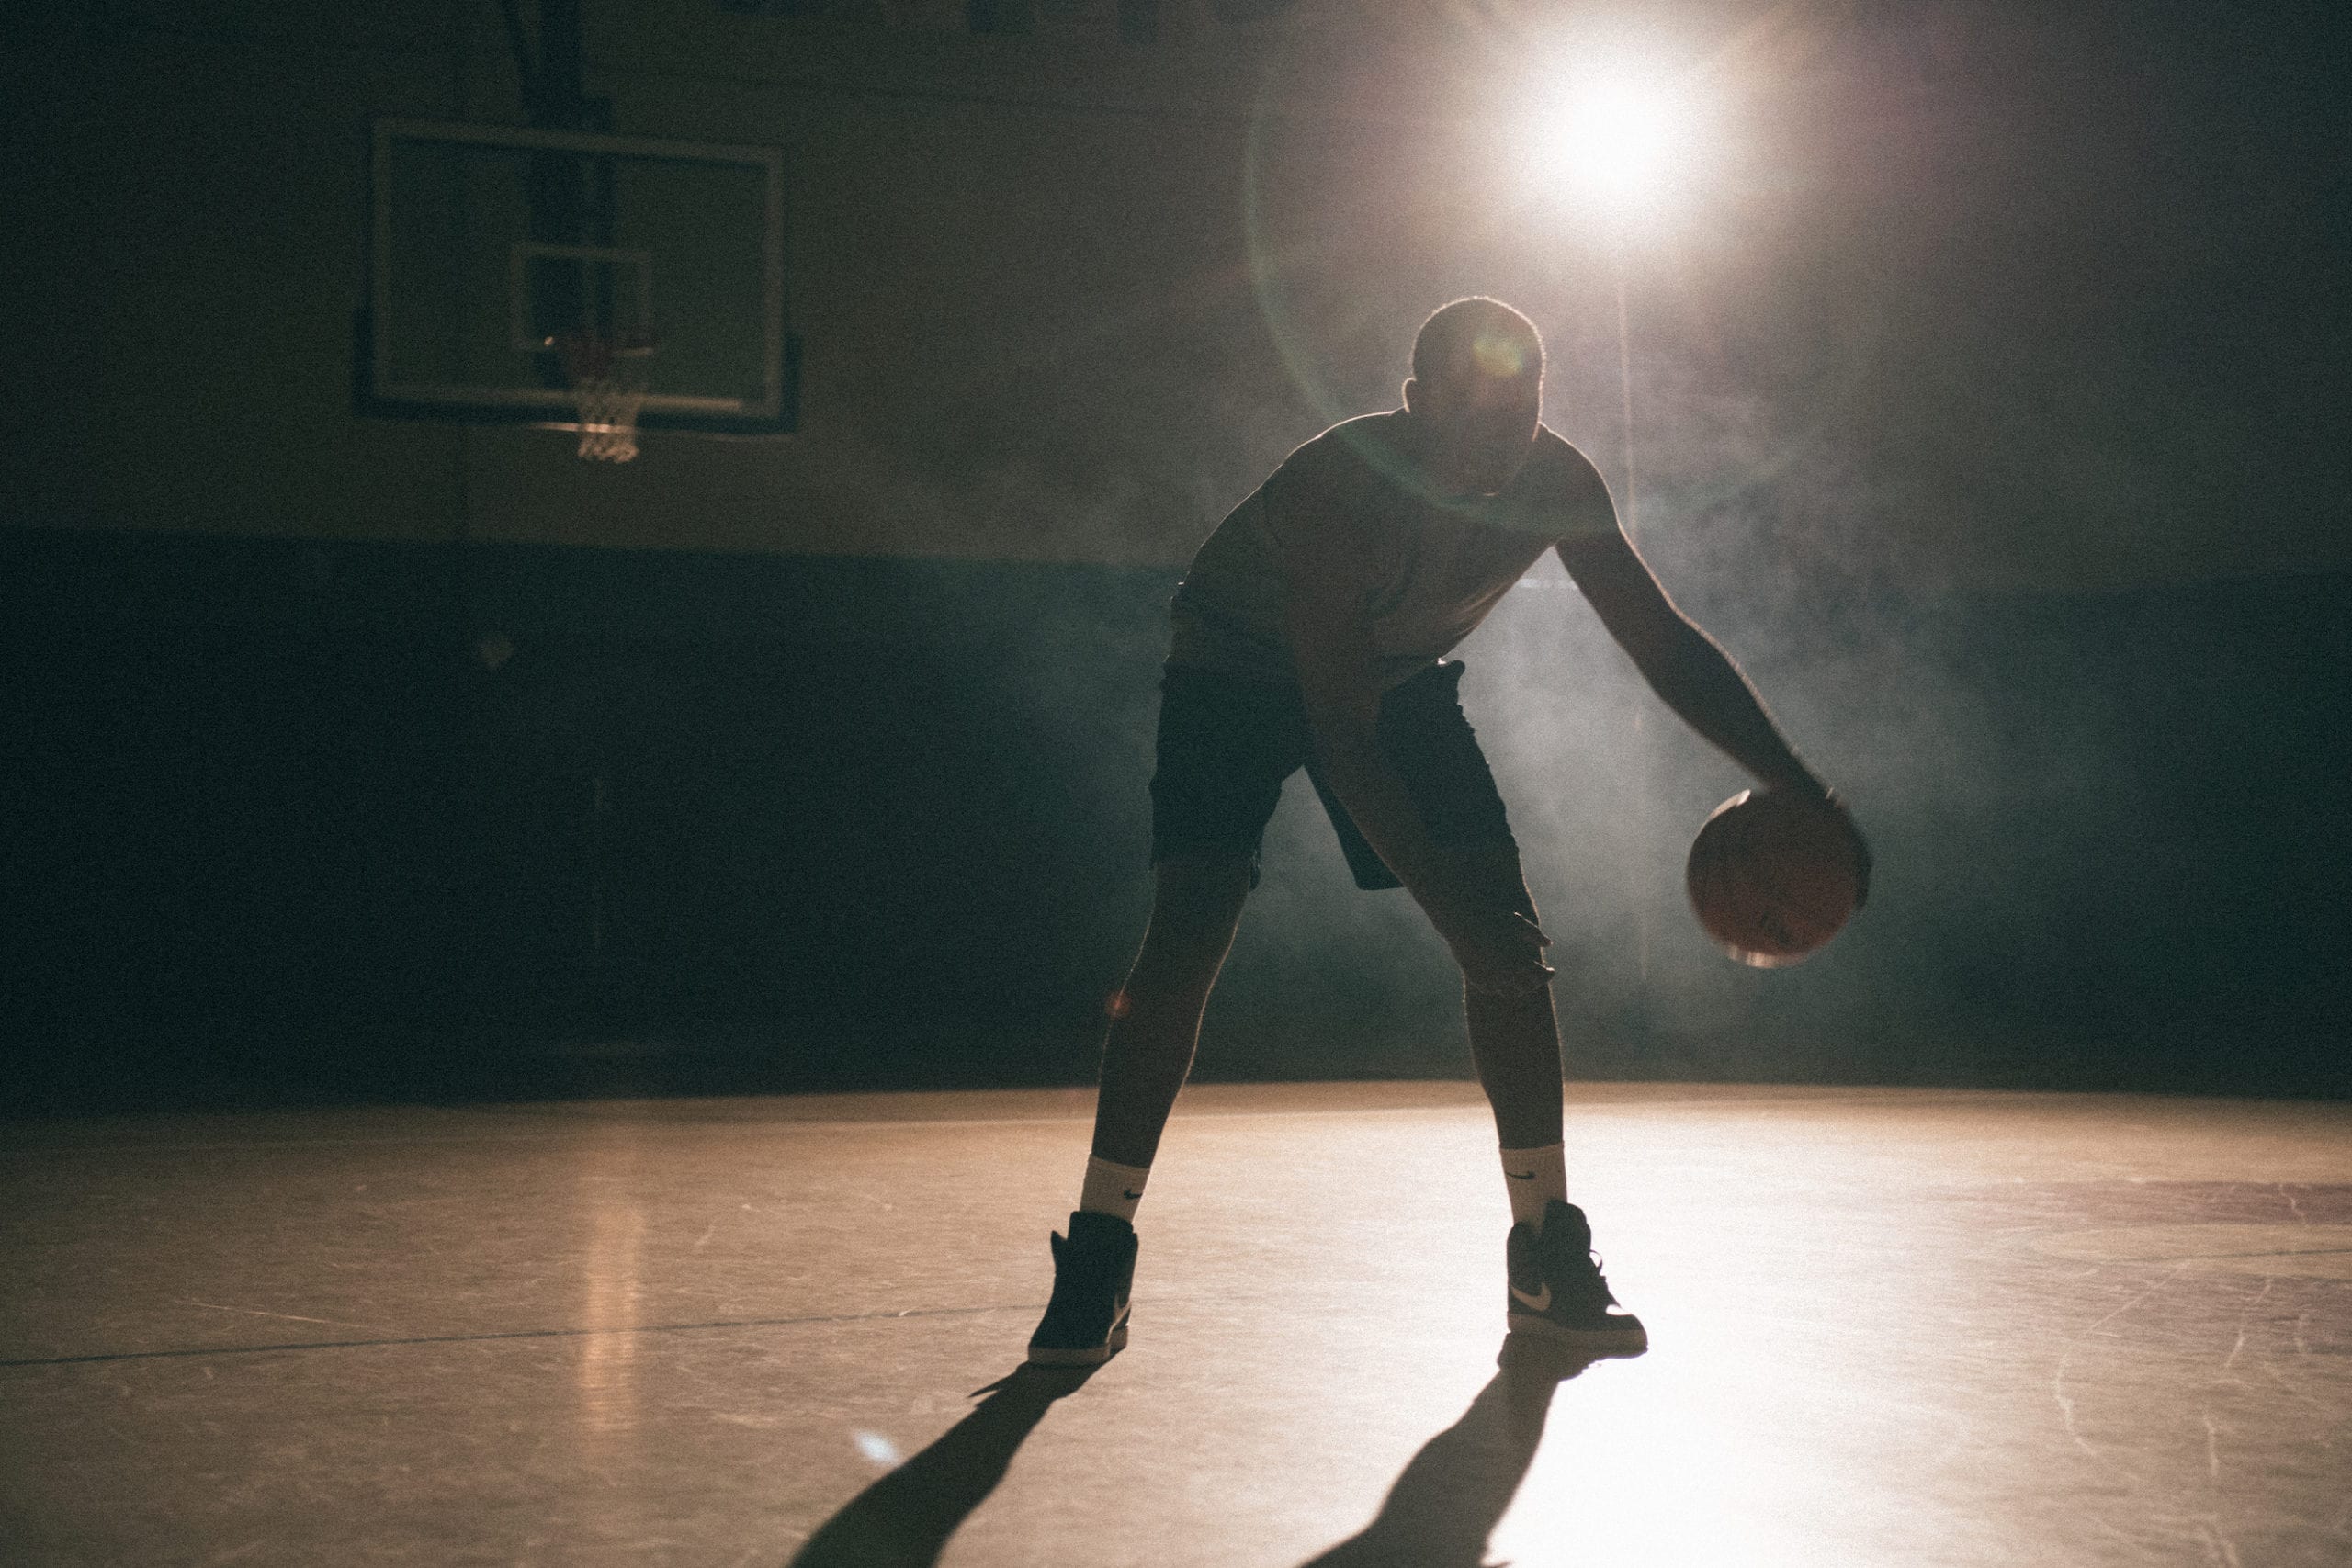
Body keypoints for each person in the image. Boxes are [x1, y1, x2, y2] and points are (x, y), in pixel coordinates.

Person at [1024, 297, 1863, 1365]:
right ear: (1414, 405)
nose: (1502, 443)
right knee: (1191, 924)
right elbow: (1338, 732)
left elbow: (1662, 645)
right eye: (1475, 417)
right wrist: (1443, 905)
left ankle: (1544, 1251)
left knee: (1511, 944)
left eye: (1521, 415)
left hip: (1392, 675)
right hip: (1235, 667)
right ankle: (1100, 1244)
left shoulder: (1557, 483)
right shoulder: (1342, 490)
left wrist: (1803, 789)